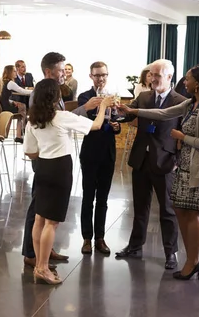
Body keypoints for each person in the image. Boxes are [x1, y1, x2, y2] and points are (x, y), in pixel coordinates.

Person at [119, 64, 199, 280]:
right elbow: (163, 113)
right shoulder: (191, 103)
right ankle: (188, 260)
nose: (186, 82)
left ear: (198, 83)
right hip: (174, 165)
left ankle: (184, 258)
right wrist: (133, 111)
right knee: (178, 211)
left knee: (184, 214)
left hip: (186, 167)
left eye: (189, 79)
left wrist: (182, 138)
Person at [24, 78, 112, 284]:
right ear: (56, 97)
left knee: (39, 219)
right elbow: (96, 125)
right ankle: (44, 268)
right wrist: (104, 106)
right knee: (51, 223)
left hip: (42, 167)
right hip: (60, 168)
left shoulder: (32, 119)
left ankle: (38, 265)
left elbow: (30, 151)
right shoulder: (61, 117)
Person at [115, 59, 184, 270]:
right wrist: (117, 113)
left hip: (165, 162)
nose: (152, 79)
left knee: (167, 210)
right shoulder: (144, 96)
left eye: (157, 75)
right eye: (151, 75)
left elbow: (184, 134)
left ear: (169, 77)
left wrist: (177, 161)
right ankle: (135, 245)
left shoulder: (180, 101)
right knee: (139, 206)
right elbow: (128, 114)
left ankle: (170, 252)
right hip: (141, 159)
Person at [78, 61, 121, 255]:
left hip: (108, 151)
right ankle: (87, 238)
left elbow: (117, 120)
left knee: (103, 198)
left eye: (103, 75)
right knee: (88, 197)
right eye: (97, 75)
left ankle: (100, 238)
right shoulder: (85, 97)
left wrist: (116, 126)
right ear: (90, 76)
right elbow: (87, 121)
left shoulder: (113, 97)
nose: (101, 78)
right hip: (90, 151)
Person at [0, 65, 31, 143]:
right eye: (14, 71)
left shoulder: (1, 81)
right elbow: (22, 91)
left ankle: (18, 134)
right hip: (7, 107)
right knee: (23, 106)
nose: (16, 72)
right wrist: (36, 91)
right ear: (10, 72)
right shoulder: (10, 83)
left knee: (20, 106)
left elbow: (2, 97)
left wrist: (12, 102)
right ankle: (19, 134)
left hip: (2, 106)